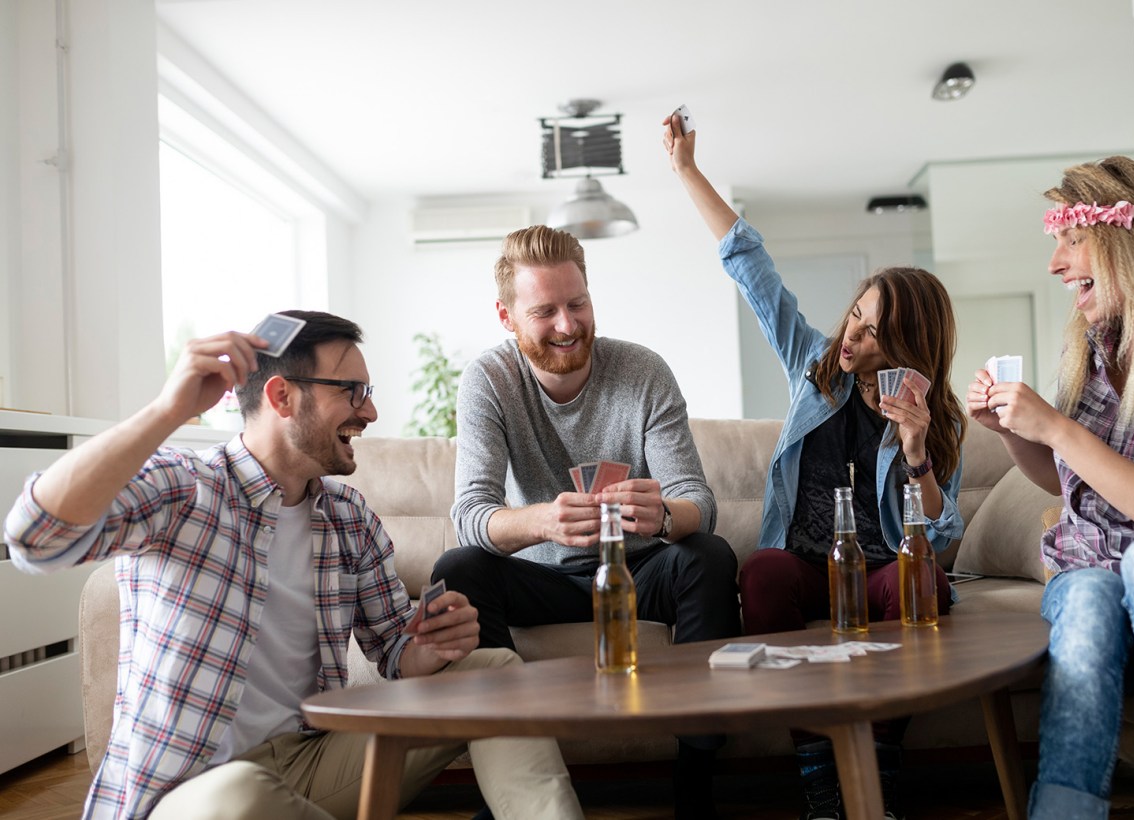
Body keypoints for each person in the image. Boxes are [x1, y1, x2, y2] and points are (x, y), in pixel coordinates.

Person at [3, 311, 582, 820]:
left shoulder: (348, 516)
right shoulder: (186, 488)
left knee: (494, 669)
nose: (372, 410)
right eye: (353, 391)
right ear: (282, 397)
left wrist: (432, 644)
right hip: (189, 791)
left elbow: (395, 656)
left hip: (310, 761)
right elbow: (35, 536)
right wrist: (168, 408)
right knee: (240, 795)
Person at [663, 112, 966, 820]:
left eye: (872, 330)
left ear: (908, 343)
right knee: (761, 572)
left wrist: (918, 455)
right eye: (855, 317)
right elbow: (751, 267)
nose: (852, 337)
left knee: (925, 580)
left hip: (887, 573)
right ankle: (818, 776)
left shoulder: (934, 415)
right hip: (807, 564)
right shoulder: (815, 372)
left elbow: (941, 538)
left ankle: (879, 764)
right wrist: (686, 170)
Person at [432, 224, 742, 819]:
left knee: (709, 554)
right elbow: (470, 515)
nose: (568, 326)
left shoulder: (643, 371)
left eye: (577, 304)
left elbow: (698, 502)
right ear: (506, 316)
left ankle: (696, 774)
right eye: (544, 311)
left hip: (635, 570)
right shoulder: (489, 381)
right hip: (538, 580)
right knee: (458, 568)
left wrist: (665, 517)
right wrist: (541, 523)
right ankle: (513, 779)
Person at [965, 155, 1134, 819]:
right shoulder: (1094, 348)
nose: (1055, 263)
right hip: (1101, 590)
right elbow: (1073, 481)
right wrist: (1015, 433)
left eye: (1072, 240)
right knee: (1084, 596)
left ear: (1127, 245)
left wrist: (1056, 427)